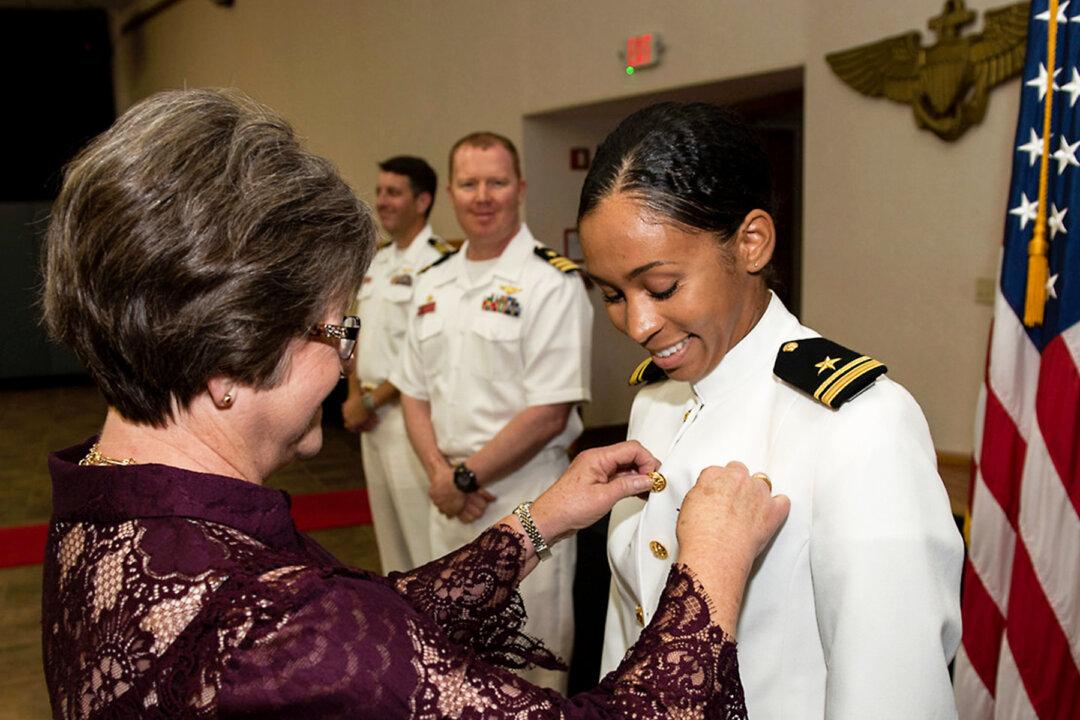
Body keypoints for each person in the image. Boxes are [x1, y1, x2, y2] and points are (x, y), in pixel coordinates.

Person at [39, 88, 789, 719]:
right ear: (231, 353)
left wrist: (535, 523)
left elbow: (365, 633)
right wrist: (711, 572)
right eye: (336, 331)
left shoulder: (108, 512)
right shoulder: (271, 627)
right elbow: (333, 644)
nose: (345, 364)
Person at [577, 102, 964, 719]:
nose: (638, 323)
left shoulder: (858, 422)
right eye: (611, 295)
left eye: (662, 287)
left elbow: (892, 692)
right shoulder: (656, 402)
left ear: (751, 242)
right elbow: (630, 638)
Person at [392, 132, 592, 691]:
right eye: (470, 182)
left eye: (497, 182)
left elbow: (549, 412)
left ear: (520, 188)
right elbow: (413, 392)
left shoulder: (551, 282)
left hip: (527, 502)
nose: (484, 196)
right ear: (450, 192)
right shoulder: (433, 282)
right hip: (449, 503)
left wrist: (462, 476)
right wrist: (439, 473)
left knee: (527, 666)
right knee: (449, 653)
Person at [342, 155, 453, 572]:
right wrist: (355, 395)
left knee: (423, 537)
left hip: (410, 416)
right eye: (380, 192)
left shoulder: (439, 262)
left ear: (422, 200)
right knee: (390, 539)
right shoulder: (378, 261)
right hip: (369, 416)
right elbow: (360, 333)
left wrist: (371, 403)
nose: (382, 202)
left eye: (394, 192)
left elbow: (423, 351)